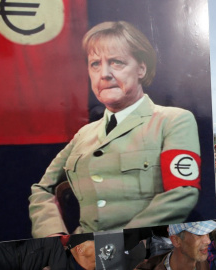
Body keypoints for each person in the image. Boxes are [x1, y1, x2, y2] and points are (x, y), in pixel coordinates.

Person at [29, 21, 201, 238]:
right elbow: (42, 189)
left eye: (116, 62)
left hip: (142, 249)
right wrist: (53, 236)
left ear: (141, 68)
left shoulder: (173, 121)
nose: (104, 74)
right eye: (95, 64)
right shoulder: (84, 134)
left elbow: (181, 194)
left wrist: (114, 243)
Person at [134, 221, 216, 270]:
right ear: (176, 241)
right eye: (198, 234)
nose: (208, 241)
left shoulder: (201, 262)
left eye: (208, 233)